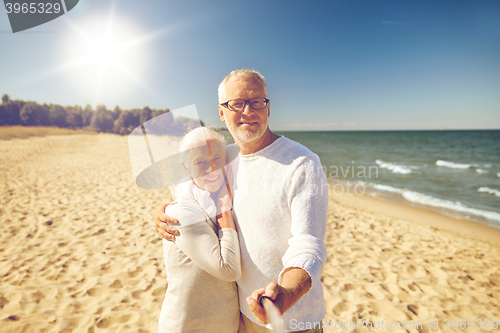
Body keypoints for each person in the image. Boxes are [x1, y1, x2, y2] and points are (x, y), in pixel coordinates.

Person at [155, 69, 328, 333]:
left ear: (268, 108)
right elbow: (191, 185)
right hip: (243, 317)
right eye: (236, 103)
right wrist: (163, 210)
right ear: (222, 113)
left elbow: (308, 243)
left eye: (257, 101)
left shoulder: (301, 163)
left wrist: (288, 293)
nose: (247, 111)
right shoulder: (225, 158)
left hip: (292, 319)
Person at [158, 127, 241, 333]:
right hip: (187, 327)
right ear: (186, 167)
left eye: (217, 159)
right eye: (200, 162)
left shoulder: (217, 197)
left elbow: (249, 149)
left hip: (224, 325)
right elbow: (228, 269)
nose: (211, 168)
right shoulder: (180, 211)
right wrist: (225, 213)